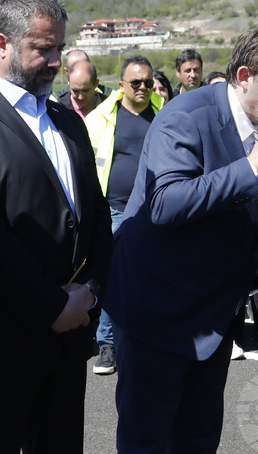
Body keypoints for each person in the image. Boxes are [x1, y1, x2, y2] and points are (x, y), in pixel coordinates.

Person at [105, 25, 258, 454]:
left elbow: (243, 218)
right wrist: (252, 165)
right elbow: (165, 203)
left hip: (213, 319)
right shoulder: (186, 115)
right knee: (150, 440)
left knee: (197, 440)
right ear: (244, 77)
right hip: (156, 315)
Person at [0, 0, 111, 454]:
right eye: (43, 48)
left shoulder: (66, 119)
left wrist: (91, 289)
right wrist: (52, 306)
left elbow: (95, 214)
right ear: (2, 46)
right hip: (5, 340)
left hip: (72, 331)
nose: (57, 60)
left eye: (59, 47)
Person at [84, 55, 163, 375]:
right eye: (136, 83)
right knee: (113, 278)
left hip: (155, 211)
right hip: (114, 210)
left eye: (147, 82)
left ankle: (148, 340)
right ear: (121, 85)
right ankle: (107, 344)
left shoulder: (163, 115)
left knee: (153, 278)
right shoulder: (102, 117)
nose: (143, 87)